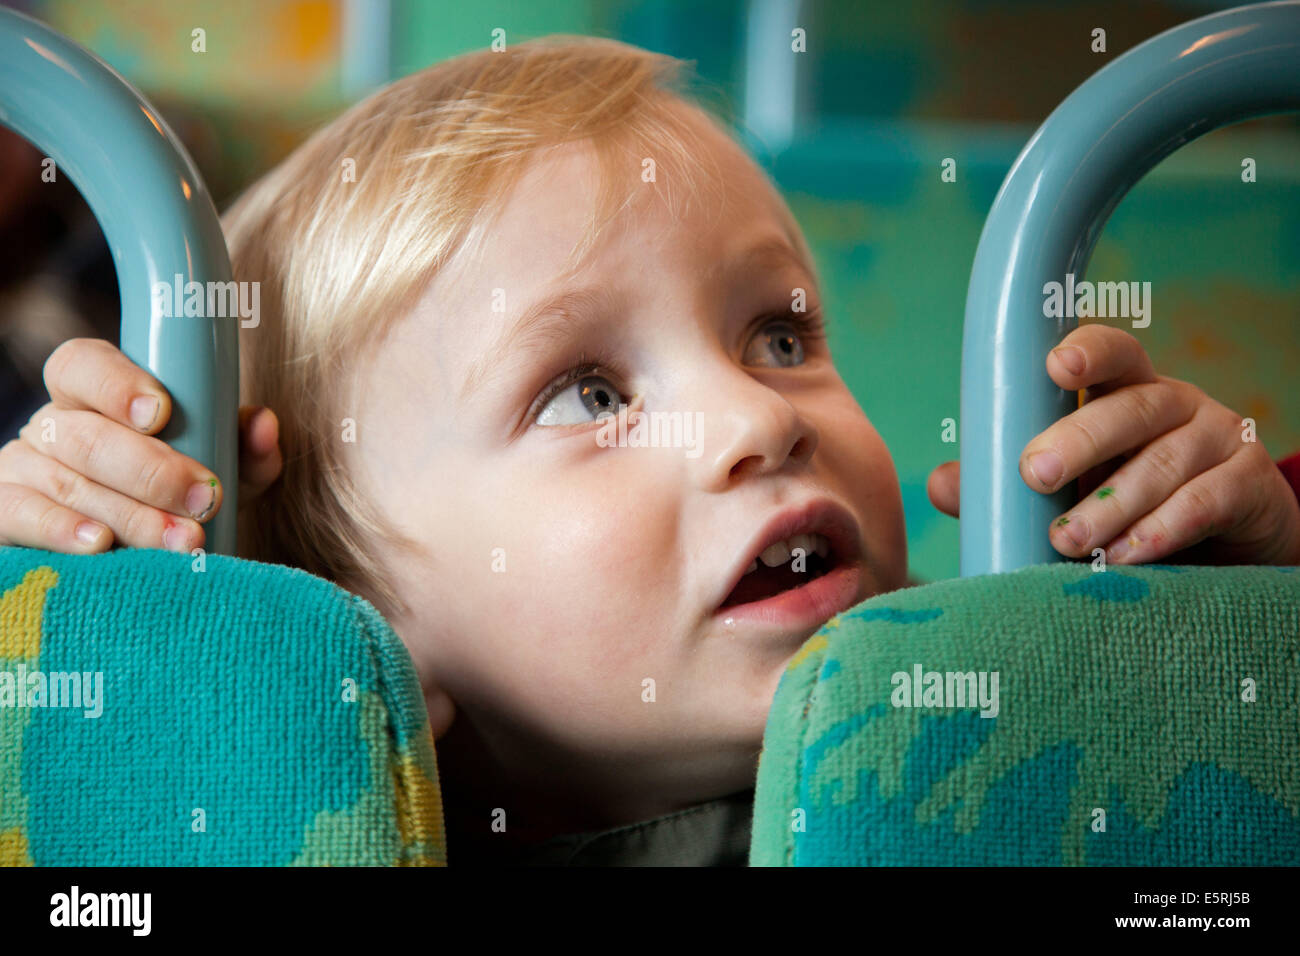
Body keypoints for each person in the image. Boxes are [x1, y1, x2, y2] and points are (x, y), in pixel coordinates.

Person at [2, 36, 1299, 865]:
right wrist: (74, 613)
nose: (757, 419)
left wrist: (1226, 612)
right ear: (349, 613)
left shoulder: (1016, 726)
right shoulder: (290, 823)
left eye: (780, 336)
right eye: (583, 392)